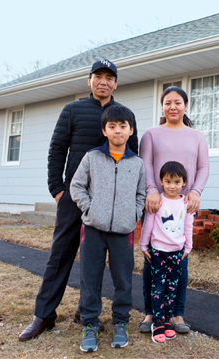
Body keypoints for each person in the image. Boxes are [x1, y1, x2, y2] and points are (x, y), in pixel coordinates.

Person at [19, 59, 139, 342]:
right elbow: (57, 150)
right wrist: (58, 190)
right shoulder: (73, 110)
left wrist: (132, 205)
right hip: (75, 198)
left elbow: (135, 158)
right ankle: (44, 315)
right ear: (89, 81)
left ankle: (86, 312)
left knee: (95, 260)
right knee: (60, 254)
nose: (104, 82)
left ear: (116, 84)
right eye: (98, 76)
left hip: (111, 204)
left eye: (110, 77)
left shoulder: (123, 115)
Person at [70, 105, 146, 352]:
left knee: (123, 280)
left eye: (123, 126)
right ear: (104, 130)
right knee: (90, 278)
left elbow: (141, 195)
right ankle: (90, 325)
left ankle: (120, 323)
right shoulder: (92, 157)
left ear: (130, 130)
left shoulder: (137, 163)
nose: (117, 131)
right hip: (93, 229)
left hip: (123, 232)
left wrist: (132, 214)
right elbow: (76, 187)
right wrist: (90, 209)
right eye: (112, 126)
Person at [138, 86, 209, 334]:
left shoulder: (197, 136)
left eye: (177, 102)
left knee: (181, 261)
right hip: (157, 204)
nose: (172, 107)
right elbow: (145, 163)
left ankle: (177, 314)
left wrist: (196, 192)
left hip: (183, 205)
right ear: (162, 106)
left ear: (185, 105)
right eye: (167, 102)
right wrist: (151, 190)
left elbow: (203, 167)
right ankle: (150, 312)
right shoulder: (150, 134)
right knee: (151, 261)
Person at [140, 161, 193, 343]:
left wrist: (188, 247)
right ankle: (157, 322)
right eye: (168, 181)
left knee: (172, 287)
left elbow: (188, 226)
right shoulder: (158, 201)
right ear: (161, 182)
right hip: (158, 253)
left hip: (177, 253)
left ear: (184, 183)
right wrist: (143, 245)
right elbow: (148, 224)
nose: (172, 186)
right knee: (158, 287)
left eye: (177, 182)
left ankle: (168, 320)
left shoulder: (186, 203)